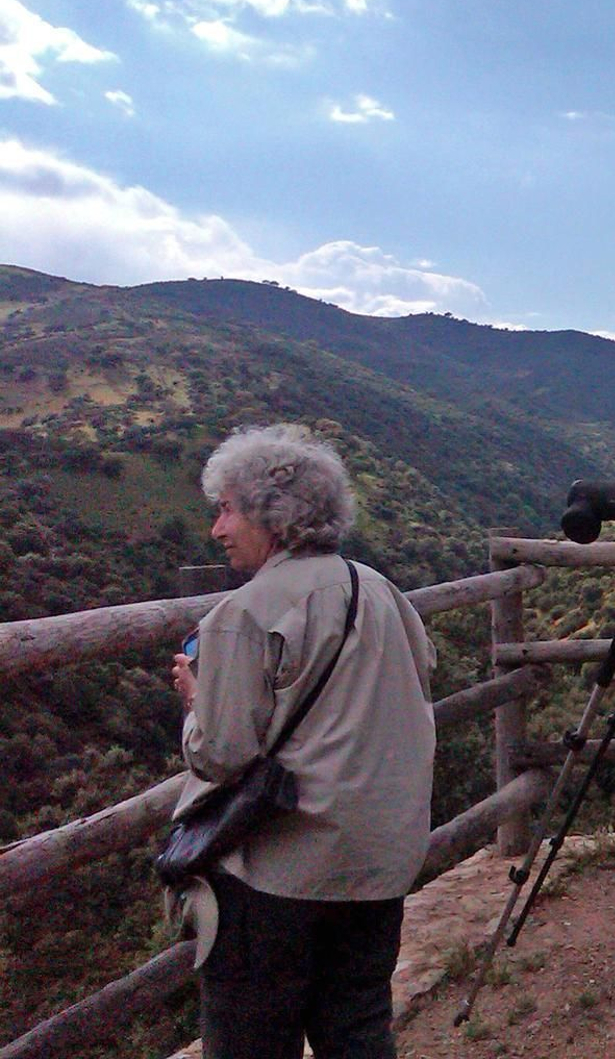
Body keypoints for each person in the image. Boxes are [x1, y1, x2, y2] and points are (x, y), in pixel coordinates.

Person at [169, 423, 436, 1058]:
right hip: (378, 862)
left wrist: (193, 703)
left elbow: (222, 752)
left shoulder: (242, 614)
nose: (218, 529)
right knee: (358, 1032)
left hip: (279, 875)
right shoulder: (380, 589)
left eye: (228, 509)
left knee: (251, 1040)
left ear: (272, 514)